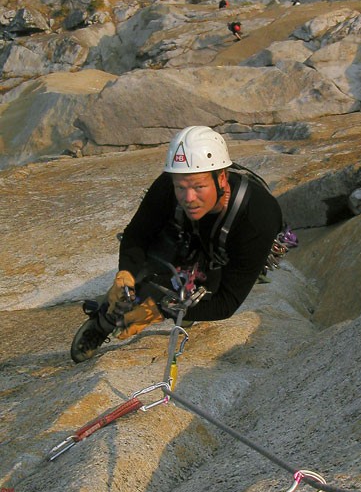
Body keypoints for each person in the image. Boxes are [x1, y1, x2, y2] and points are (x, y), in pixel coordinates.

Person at [71, 126, 282, 363]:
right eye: (180, 187)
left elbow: (227, 303)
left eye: (199, 187)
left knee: (192, 297)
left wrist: (160, 311)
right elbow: (137, 235)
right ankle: (104, 322)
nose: (189, 198)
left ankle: (187, 295)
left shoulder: (258, 216)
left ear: (221, 178)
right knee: (140, 281)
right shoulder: (167, 186)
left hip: (228, 251)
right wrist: (127, 273)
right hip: (188, 236)